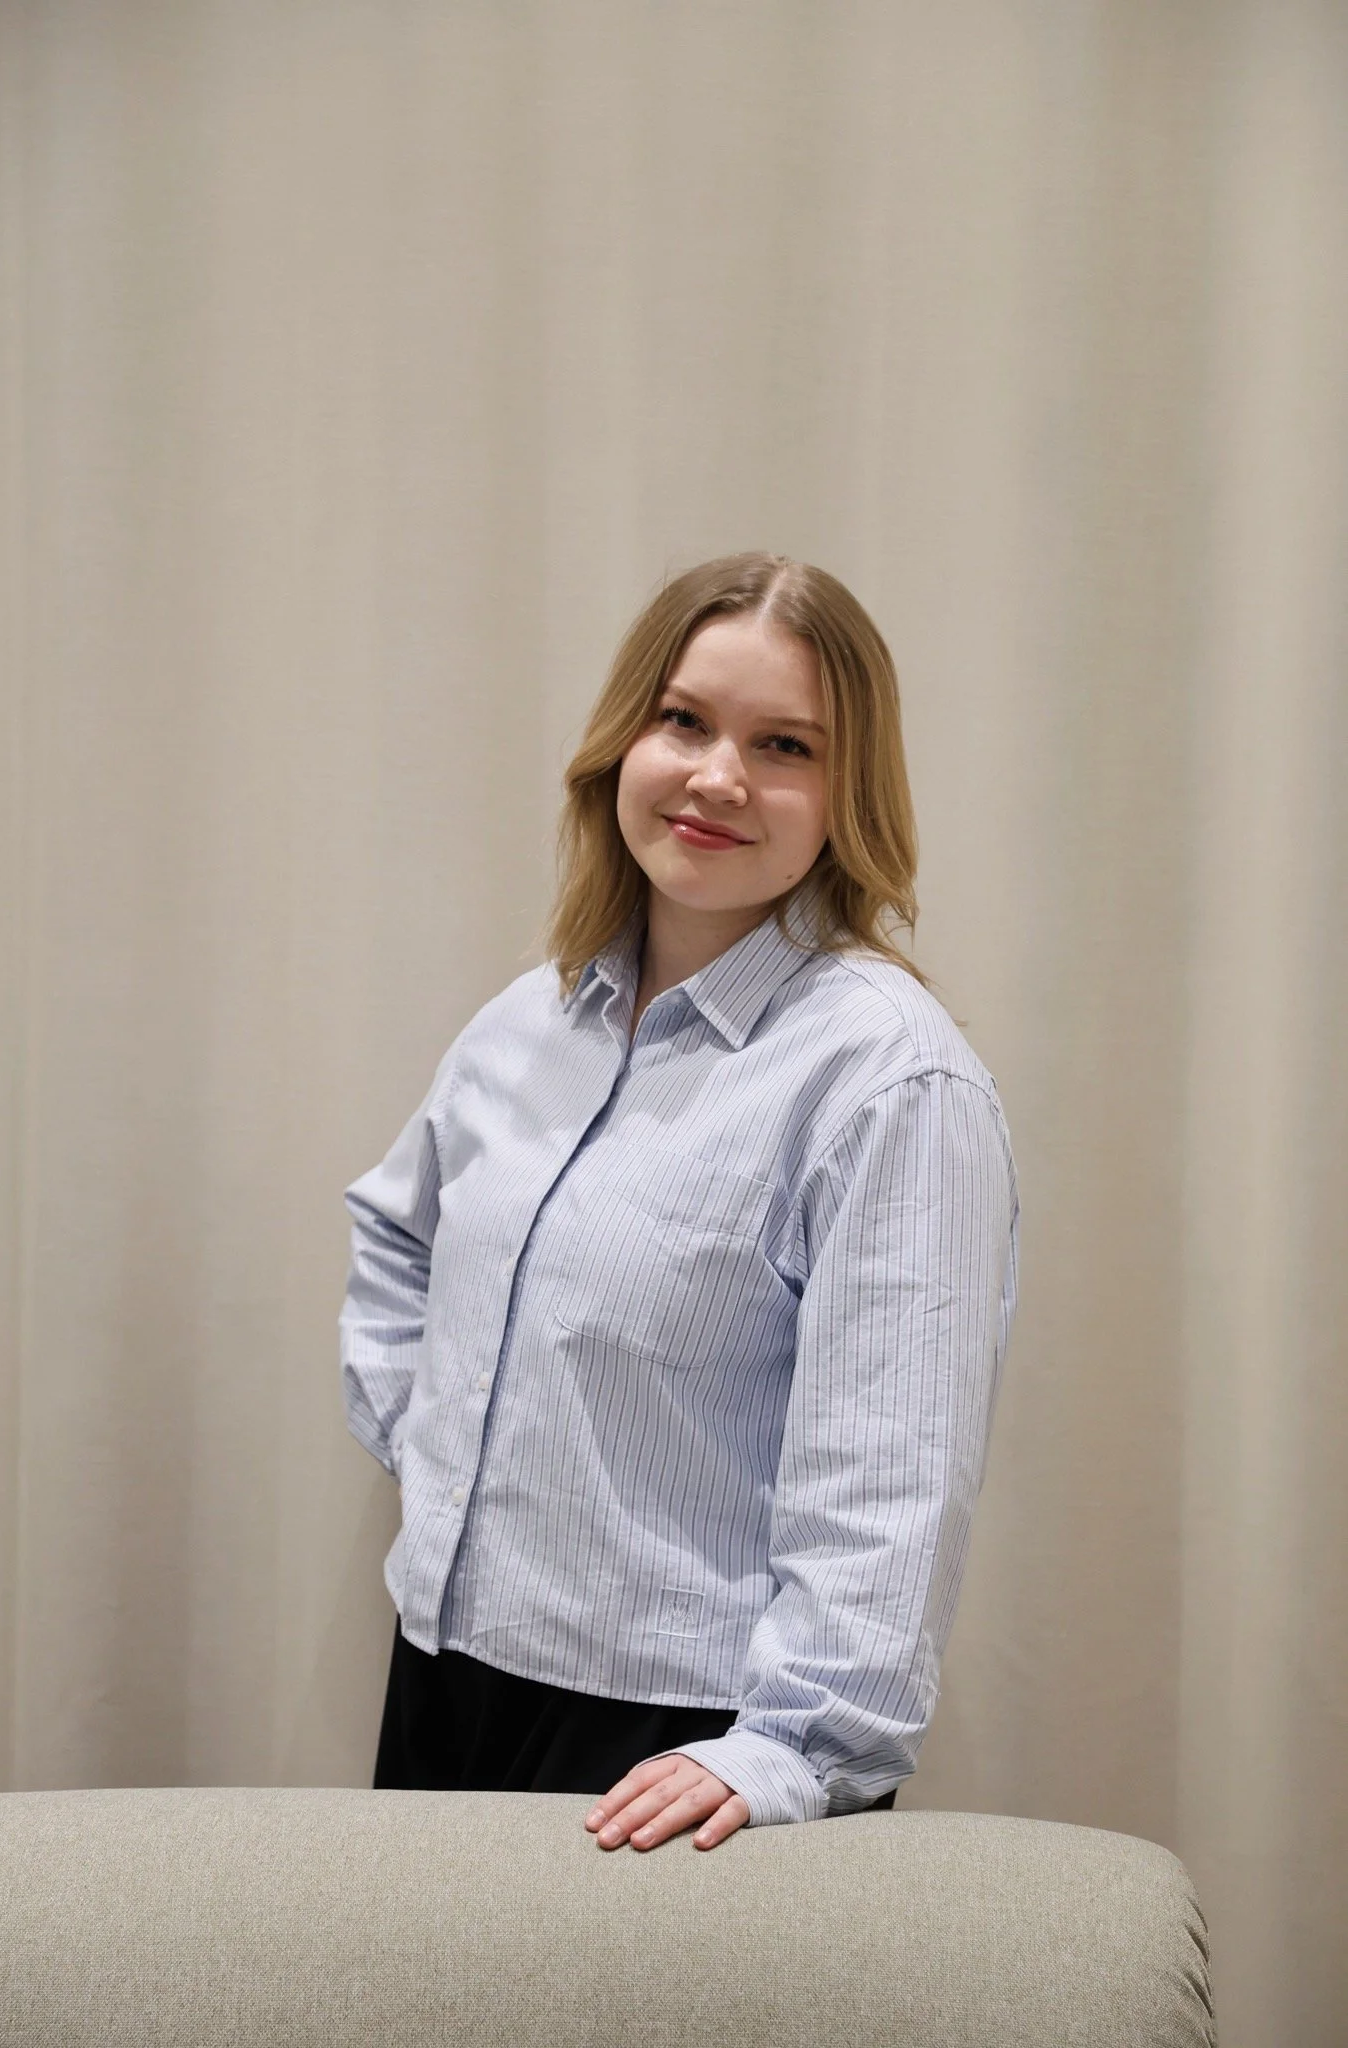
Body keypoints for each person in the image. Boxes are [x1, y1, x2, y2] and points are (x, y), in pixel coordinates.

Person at [338, 550, 1020, 1854]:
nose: (718, 777)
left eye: (784, 745)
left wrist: (795, 1748)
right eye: (685, 721)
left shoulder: (890, 1080)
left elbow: (893, 1471)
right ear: (623, 743)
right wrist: (440, 1452)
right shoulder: (529, 1020)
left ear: (849, 794)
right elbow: (398, 1237)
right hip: (443, 1676)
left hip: (693, 1752)